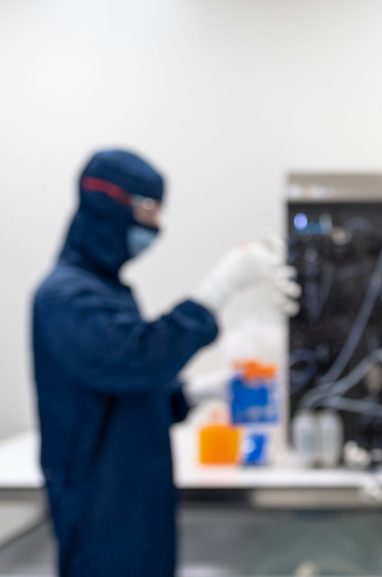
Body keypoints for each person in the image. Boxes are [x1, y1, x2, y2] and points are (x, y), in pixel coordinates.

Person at [31, 149, 300, 577]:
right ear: (109, 201)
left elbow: (127, 391)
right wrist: (219, 288)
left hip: (134, 505)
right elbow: (136, 359)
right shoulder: (64, 298)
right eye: (149, 209)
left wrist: (199, 391)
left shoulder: (109, 292)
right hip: (101, 510)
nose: (156, 226)